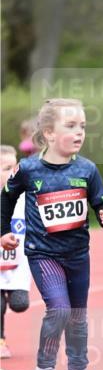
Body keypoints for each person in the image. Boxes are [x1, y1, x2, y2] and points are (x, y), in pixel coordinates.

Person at [0, 98, 103, 370]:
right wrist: (4, 232)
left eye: (83, 127)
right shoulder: (28, 169)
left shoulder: (87, 169)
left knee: (77, 315)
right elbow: (5, 199)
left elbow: (101, 201)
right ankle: (45, 369)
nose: (79, 132)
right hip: (42, 252)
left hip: (77, 253)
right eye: (71, 126)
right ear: (49, 133)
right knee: (59, 309)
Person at [0, 145, 30, 358]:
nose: (13, 172)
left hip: (18, 263)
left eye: (15, 167)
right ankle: (1, 340)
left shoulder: (23, 197)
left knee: (20, 304)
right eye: (7, 167)